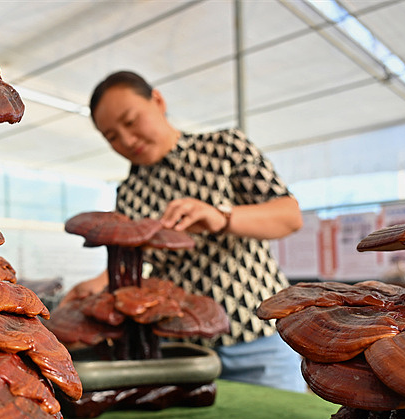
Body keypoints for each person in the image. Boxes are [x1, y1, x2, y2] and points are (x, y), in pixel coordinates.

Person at [77, 70, 305, 392]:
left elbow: (289, 215)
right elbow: (138, 259)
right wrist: (99, 284)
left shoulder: (223, 148)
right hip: (179, 350)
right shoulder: (128, 192)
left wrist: (221, 217)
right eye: (112, 136)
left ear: (157, 100)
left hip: (257, 339)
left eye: (130, 121)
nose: (126, 140)